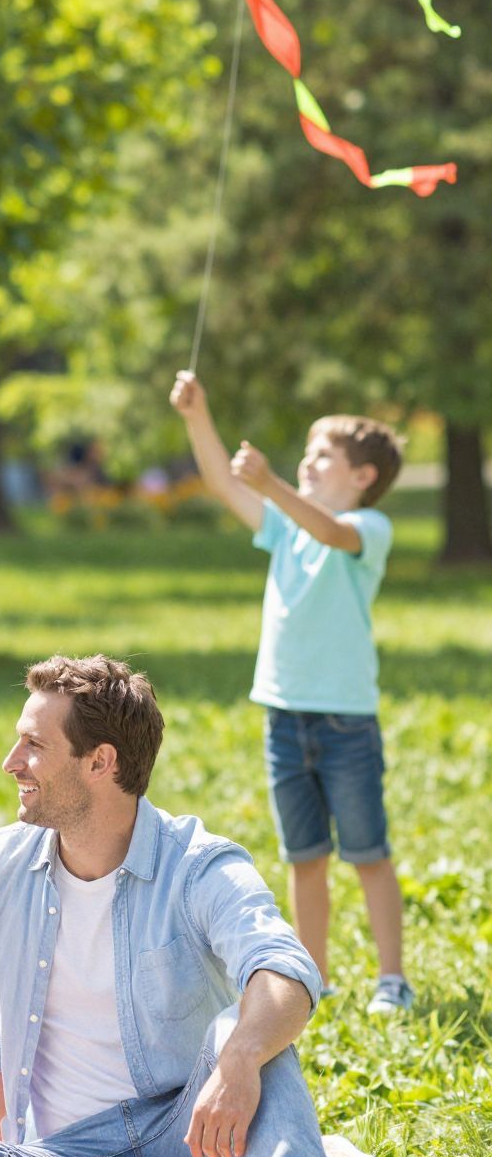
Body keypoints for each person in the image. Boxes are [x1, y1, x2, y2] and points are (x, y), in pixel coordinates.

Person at [0, 656, 356, 1157]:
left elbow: (286, 969)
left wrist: (238, 1060)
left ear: (100, 762)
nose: (11, 762)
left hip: (203, 1139)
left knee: (248, 1024)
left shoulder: (199, 866)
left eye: (34, 746)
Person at [169, 371, 410, 1013]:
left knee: (367, 851)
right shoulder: (284, 528)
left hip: (345, 723)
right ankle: (316, 975)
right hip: (284, 717)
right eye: (308, 450)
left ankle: (394, 978)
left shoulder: (369, 527)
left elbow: (331, 533)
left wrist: (271, 483)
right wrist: (199, 414)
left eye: (324, 454)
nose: (309, 459)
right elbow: (223, 482)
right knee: (305, 856)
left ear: (362, 476)